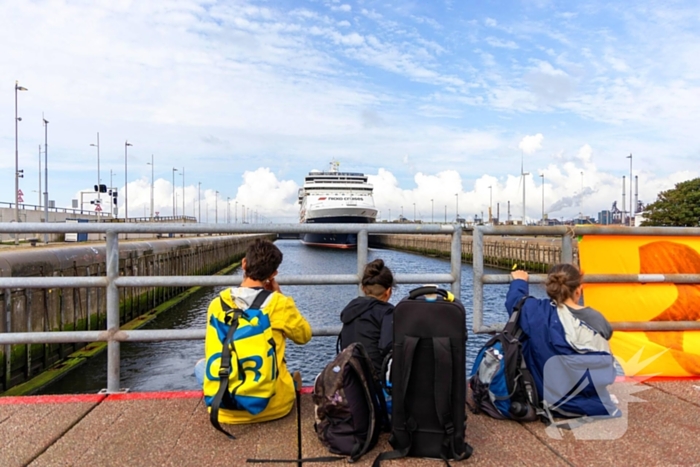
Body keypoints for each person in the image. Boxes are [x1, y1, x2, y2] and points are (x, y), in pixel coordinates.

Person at [195, 238, 312, 424]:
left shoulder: (216, 304)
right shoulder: (278, 303)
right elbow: (304, 336)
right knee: (281, 369)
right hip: (275, 408)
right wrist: (279, 296)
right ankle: (285, 382)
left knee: (201, 365)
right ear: (273, 274)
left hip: (223, 410)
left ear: (243, 263)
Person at [507, 263, 619, 418]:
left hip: (547, 397)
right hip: (590, 402)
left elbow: (515, 302)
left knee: (528, 336)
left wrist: (519, 281)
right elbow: (607, 334)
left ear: (550, 289)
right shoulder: (596, 319)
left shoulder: (535, 310)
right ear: (578, 290)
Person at [338, 258, 394, 378]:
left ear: (363, 288)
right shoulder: (387, 312)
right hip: (374, 381)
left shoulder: (350, 309)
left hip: (349, 376)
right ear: (389, 291)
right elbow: (387, 347)